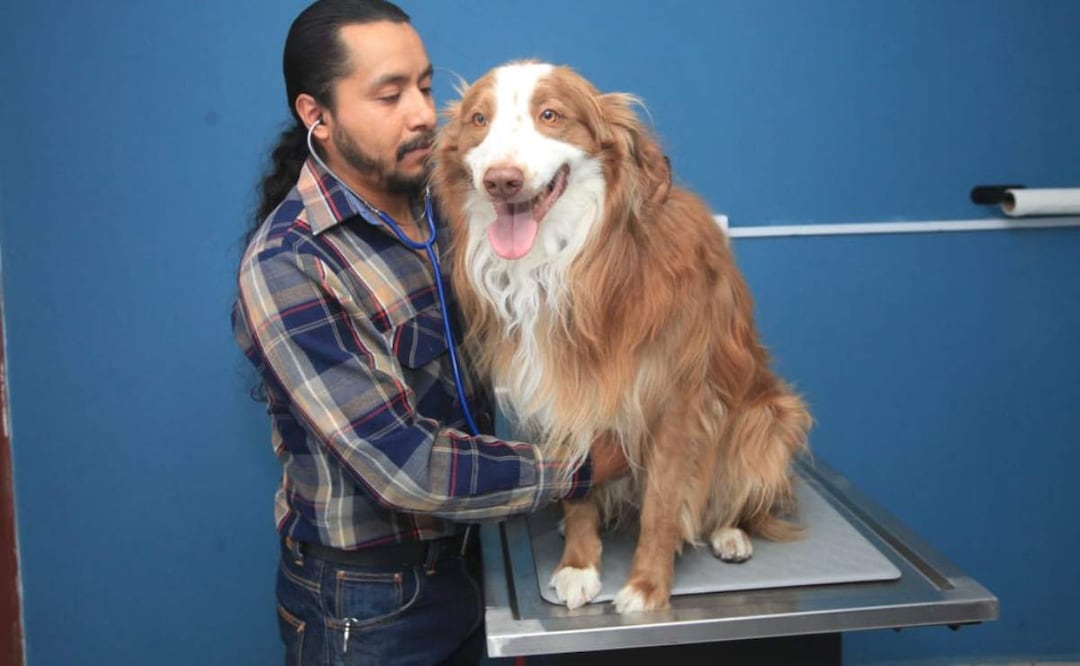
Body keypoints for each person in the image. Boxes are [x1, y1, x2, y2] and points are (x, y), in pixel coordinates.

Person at [232, 1, 628, 663]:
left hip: (477, 557)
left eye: (423, 84)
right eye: (389, 95)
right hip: (371, 605)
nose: (423, 112)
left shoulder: (454, 210)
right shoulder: (291, 267)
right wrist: (586, 469)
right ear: (317, 116)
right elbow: (407, 467)